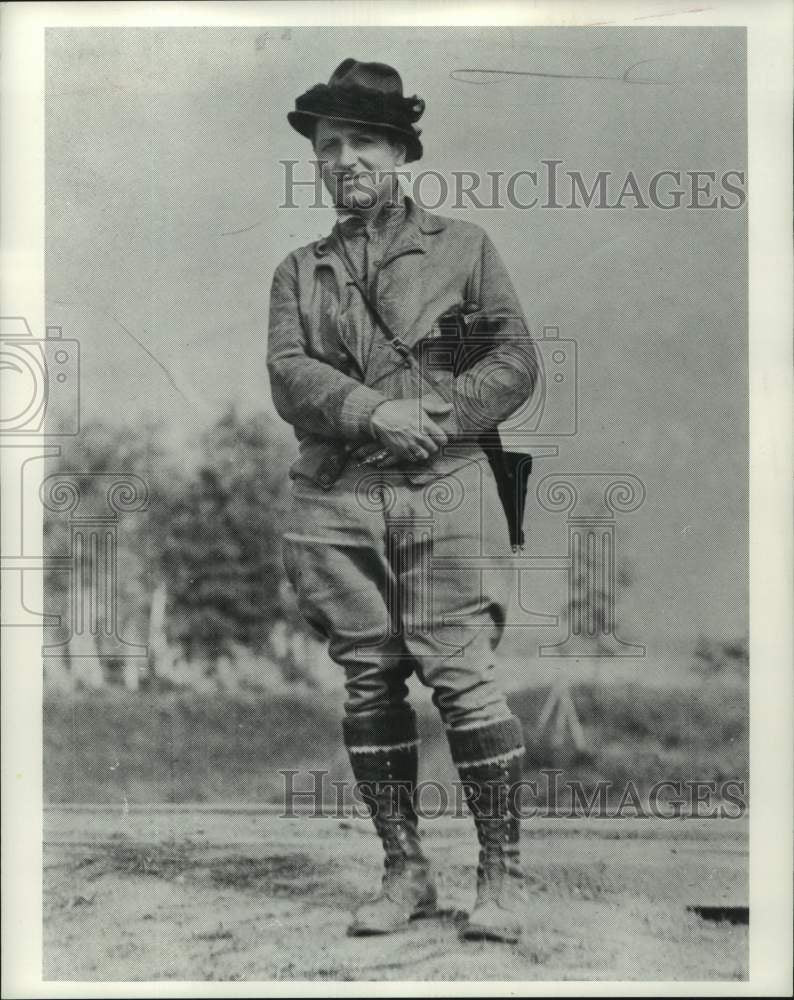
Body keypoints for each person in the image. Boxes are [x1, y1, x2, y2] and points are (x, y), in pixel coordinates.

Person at [268, 58, 539, 943]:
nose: (344, 158)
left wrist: (440, 419)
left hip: (440, 486)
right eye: (329, 144)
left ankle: (500, 878)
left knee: (461, 676)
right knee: (369, 678)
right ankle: (405, 871)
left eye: (364, 142)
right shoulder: (297, 273)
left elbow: (515, 360)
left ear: (399, 152)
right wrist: (372, 410)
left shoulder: (462, 247)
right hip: (335, 496)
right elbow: (290, 374)